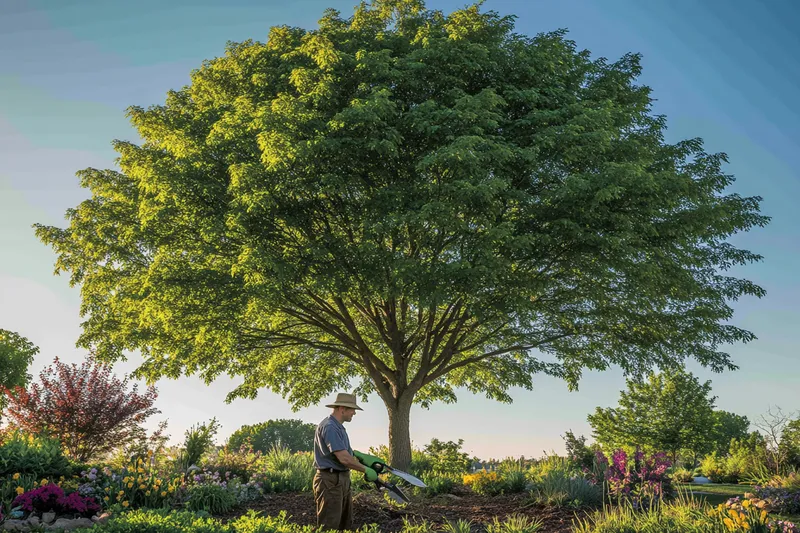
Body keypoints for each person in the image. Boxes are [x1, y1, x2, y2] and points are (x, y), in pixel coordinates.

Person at [312, 392, 379, 531]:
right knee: (330, 525)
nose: (354, 413)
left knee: (344, 522)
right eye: (352, 409)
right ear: (342, 409)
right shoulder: (329, 427)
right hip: (330, 480)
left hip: (341, 478)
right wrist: (366, 470)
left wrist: (359, 455)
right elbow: (343, 458)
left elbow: (345, 453)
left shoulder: (338, 427)